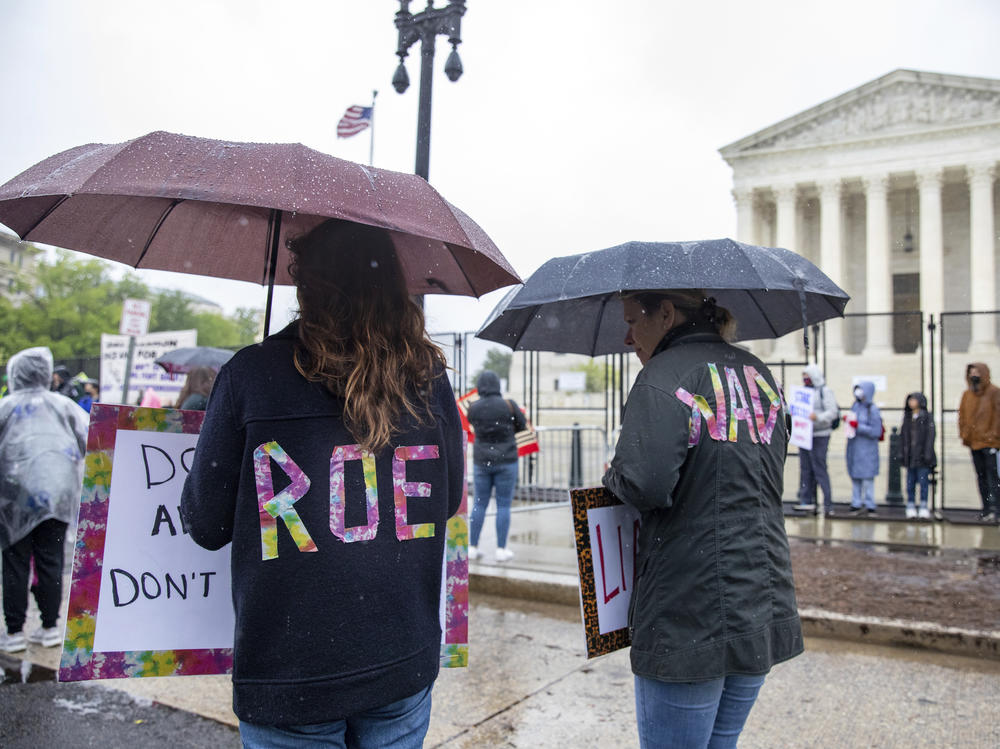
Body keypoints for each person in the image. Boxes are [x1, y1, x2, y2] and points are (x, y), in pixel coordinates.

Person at [180, 219, 464, 747]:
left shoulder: (250, 375)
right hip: (400, 654)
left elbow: (204, 523)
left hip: (291, 671)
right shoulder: (427, 378)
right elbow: (447, 500)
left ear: (306, 283)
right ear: (392, 287)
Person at [602, 289, 802, 749]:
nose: (628, 338)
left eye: (634, 321)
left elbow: (647, 484)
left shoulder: (663, 376)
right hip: (760, 595)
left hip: (688, 607)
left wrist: (616, 477)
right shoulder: (759, 373)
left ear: (667, 313)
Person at [0, 347, 88, 653]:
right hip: (58, 497)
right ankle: (50, 626)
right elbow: (94, 438)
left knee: (14, 563)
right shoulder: (65, 406)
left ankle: (13, 632)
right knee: (51, 560)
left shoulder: (5, 408)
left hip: (13, 499)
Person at [466, 370, 527, 563]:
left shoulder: (473, 407)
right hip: (507, 461)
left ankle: (472, 547)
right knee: (503, 505)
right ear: (497, 385)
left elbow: (472, 425)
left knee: (479, 503)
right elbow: (522, 425)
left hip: (482, 461)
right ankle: (501, 549)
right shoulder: (509, 405)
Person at [794, 364, 839, 517]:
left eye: (807, 376)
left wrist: (817, 418)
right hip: (804, 435)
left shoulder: (824, 391)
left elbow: (832, 412)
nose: (805, 379)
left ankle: (827, 504)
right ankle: (806, 501)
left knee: (820, 469)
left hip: (820, 435)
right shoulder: (803, 392)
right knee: (806, 469)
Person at [957, 362, 1000, 522]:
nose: (974, 374)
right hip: (974, 442)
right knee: (981, 476)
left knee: (993, 477)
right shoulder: (967, 395)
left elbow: (998, 416)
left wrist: (993, 436)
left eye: (976, 371)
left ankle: (996, 510)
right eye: (971, 372)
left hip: (990, 443)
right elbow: (962, 415)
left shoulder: (994, 392)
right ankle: (986, 508)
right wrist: (965, 434)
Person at [845, 380, 882, 516]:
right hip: (854, 449)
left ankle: (870, 504)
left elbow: (876, 431)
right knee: (855, 478)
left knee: (867, 479)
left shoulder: (872, 409)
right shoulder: (855, 406)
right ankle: (856, 503)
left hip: (867, 450)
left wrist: (858, 426)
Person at [900, 392, 936, 520]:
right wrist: (903, 453)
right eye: (910, 400)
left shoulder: (926, 417)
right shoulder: (908, 417)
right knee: (910, 483)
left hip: (922, 457)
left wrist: (927, 454)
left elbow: (930, 436)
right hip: (910, 457)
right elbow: (903, 437)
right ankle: (910, 505)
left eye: (914, 400)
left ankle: (923, 506)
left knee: (923, 483)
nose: (911, 403)